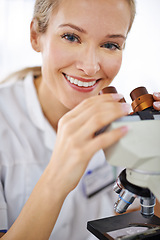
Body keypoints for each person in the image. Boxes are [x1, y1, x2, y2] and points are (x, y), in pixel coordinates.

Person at [0, 0, 160, 239]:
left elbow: (138, 219)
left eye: (110, 44)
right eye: (71, 37)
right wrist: (57, 179)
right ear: (35, 36)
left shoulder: (125, 121)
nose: (90, 66)